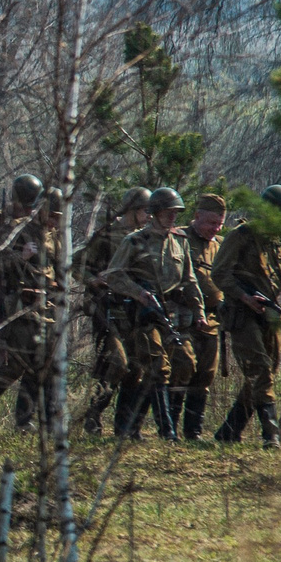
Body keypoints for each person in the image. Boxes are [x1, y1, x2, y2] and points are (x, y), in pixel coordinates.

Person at [97, 187, 200, 440]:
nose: (172, 217)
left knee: (185, 363)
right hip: (143, 315)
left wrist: (200, 311)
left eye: (176, 212)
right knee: (158, 366)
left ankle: (133, 424)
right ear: (155, 212)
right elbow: (114, 276)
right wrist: (138, 293)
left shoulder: (181, 241)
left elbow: (190, 280)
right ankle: (167, 432)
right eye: (168, 212)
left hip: (173, 315)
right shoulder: (134, 241)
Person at [212, 185, 281, 448]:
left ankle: (230, 429)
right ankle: (271, 434)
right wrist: (244, 297)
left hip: (270, 312)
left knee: (268, 372)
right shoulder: (241, 235)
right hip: (241, 312)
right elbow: (219, 273)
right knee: (259, 369)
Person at [0, 175, 55, 430]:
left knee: (37, 363)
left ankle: (25, 420)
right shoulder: (0, 226)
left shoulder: (41, 231)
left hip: (38, 306)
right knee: (9, 364)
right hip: (7, 304)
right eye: (26, 204)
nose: (29, 210)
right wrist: (20, 257)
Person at [75, 188, 150, 435]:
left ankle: (124, 426)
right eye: (145, 210)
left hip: (134, 310)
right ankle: (93, 413)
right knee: (116, 363)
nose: (149, 216)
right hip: (107, 307)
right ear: (133, 210)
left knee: (136, 369)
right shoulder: (107, 234)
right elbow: (78, 264)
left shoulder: (146, 236)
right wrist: (93, 279)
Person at [175, 193, 232, 440]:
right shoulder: (178, 239)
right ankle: (169, 428)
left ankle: (193, 431)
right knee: (182, 368)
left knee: (205, 374)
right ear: (197, 216)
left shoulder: (220, 245)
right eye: (211, 223)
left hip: (211, 320)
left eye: (219, 224)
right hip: (181, 317)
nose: (215, 228)